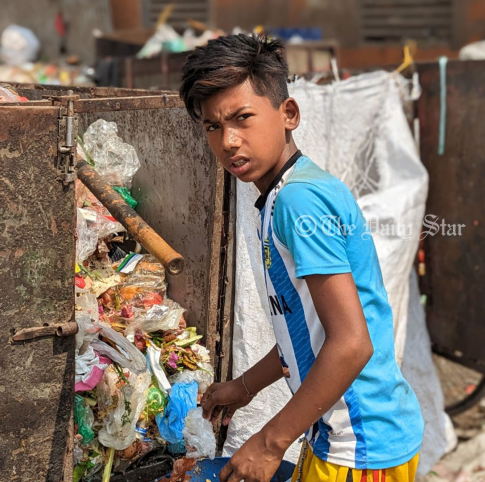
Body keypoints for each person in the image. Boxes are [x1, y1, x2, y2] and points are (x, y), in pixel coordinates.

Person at [180, 34, 424, 482]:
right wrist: (244, 386)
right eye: (213, 126)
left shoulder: (299, 202)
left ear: (288, 114)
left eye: (242, 118)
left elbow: (351, 344)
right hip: (340, 436)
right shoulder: (280, 197)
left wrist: (269, 443)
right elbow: (306, 332)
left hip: (360, 446)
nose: (229, 141)